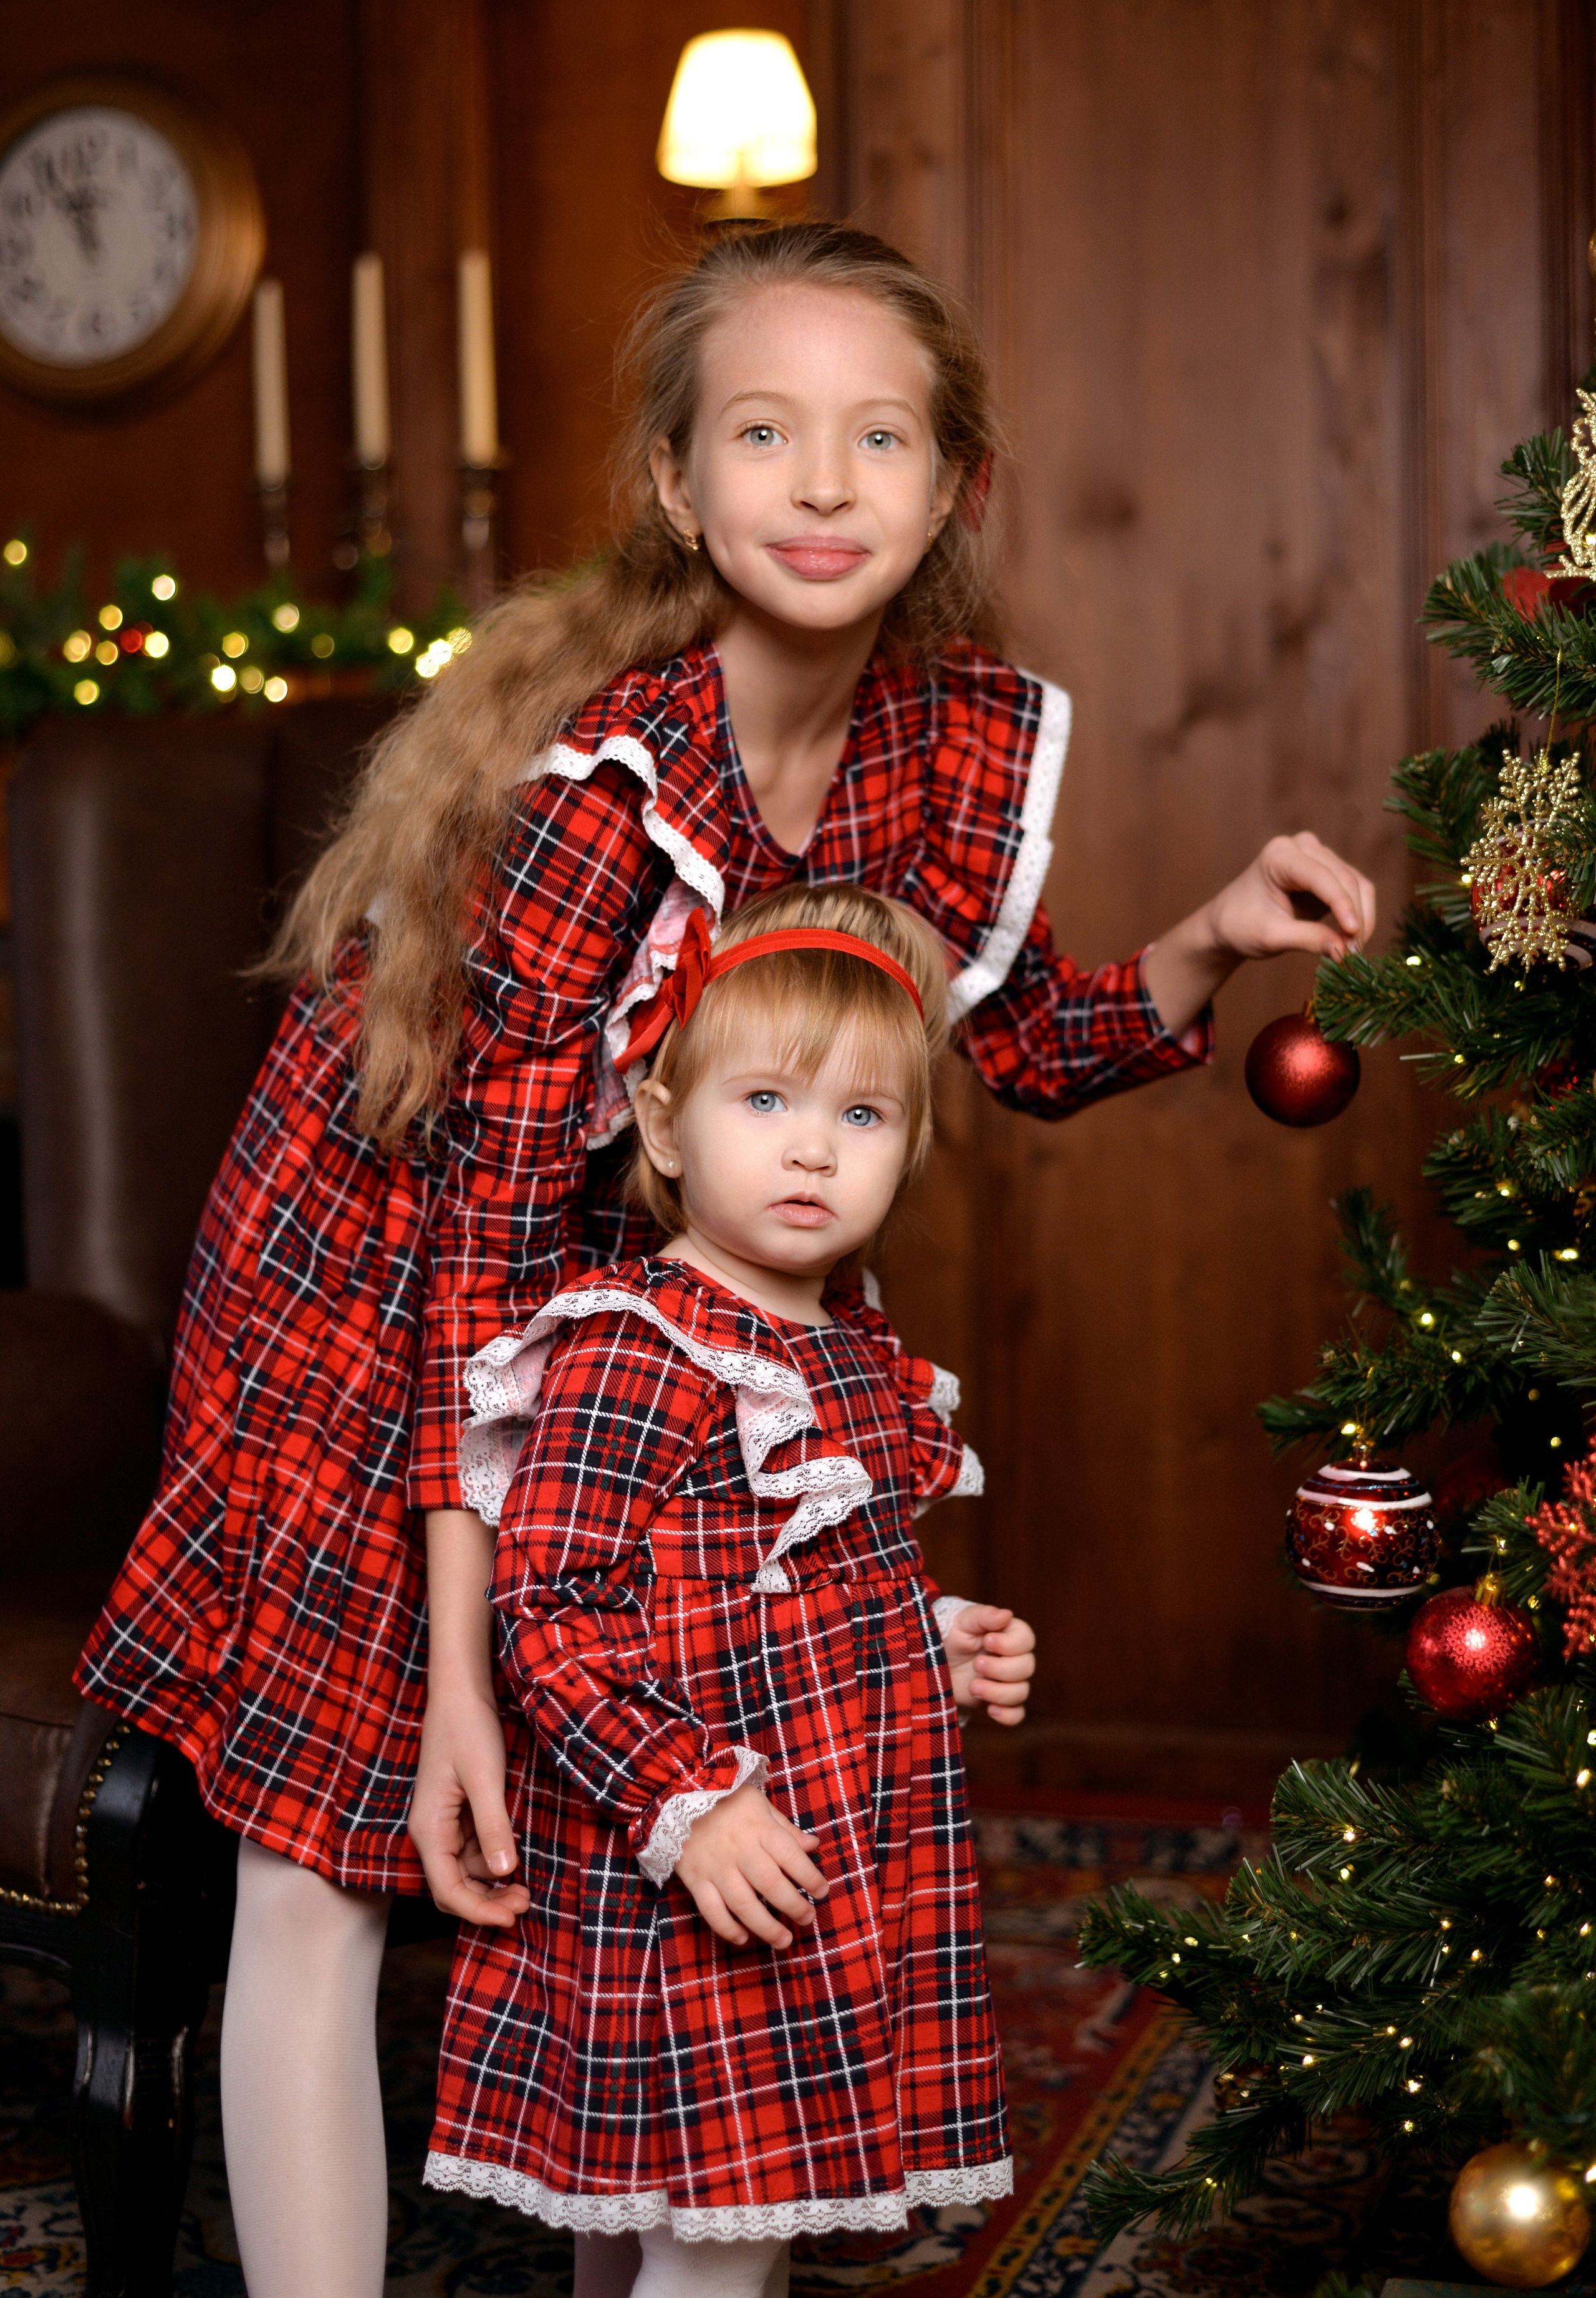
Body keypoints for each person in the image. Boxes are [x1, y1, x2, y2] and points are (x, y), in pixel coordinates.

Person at [75, 218, 1374, 2298]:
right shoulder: (603, 790)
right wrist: (459, 1680)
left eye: (884, 437)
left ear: (951, 487)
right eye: (769, 433)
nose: (829, 480)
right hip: (377, 1277)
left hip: (634, 1276)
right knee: (321, 1851)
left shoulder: (934, 740)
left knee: (644, 1805)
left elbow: (1010, 1036)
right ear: (684, 484)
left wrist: (1212, 934)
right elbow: (482, 1246)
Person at [426, 882, 1034, 2298]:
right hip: (695, 1867)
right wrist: (681, 1803)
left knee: (660, 2225)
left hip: (817, 1861)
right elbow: (550, 1613)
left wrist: (932, 1639)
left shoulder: (855, 1355)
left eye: (861, 1117)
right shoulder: (640, 1350)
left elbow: (819, 1584)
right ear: (661, 1125)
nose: (813, 1146)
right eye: (763, 1099)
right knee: (710, 2246)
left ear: (906, 1150)